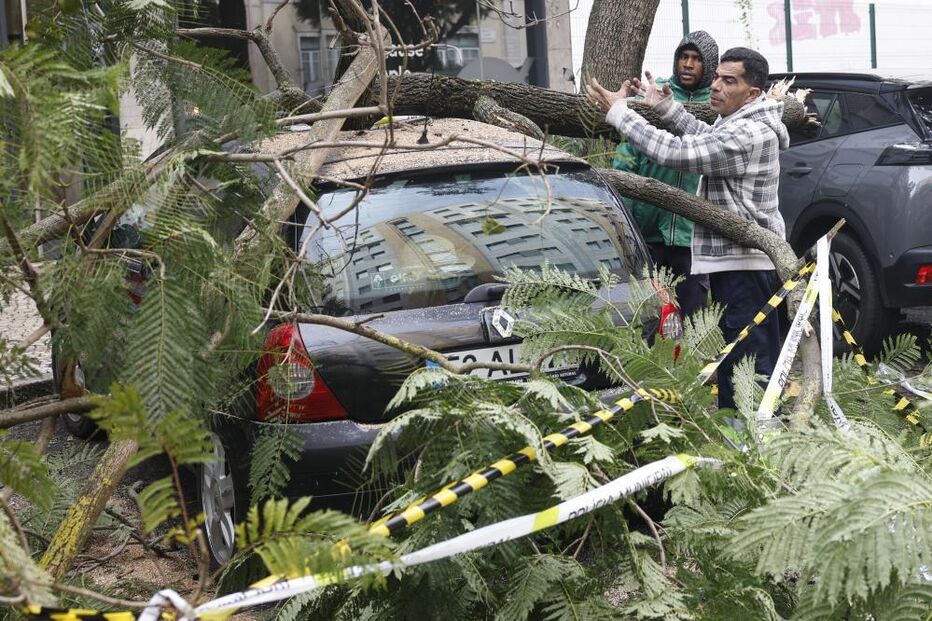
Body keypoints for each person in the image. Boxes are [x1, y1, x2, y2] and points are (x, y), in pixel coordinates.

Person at [587, 47, 789, 410]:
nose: (716, 86)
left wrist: (620, 113)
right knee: (741, 354)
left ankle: (755, 441)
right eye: (717, 77)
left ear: (752, 93)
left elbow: (679, 153)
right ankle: (745, 431)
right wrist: (666, 107)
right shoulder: (741, 122)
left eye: (729, 81)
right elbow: (703, 137)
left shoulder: (750, 134)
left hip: (746, 266)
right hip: (742, 264)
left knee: (749, 361)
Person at [613, 31, 718, 316]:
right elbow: (626, 155)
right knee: (648, 312)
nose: (687, 64)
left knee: (692, 312)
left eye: (696, 59)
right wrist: (629, 211)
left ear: (709, 65)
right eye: (683, 57)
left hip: (691, 233)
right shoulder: (654, 94)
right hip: (649, 227)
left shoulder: (715, 105)